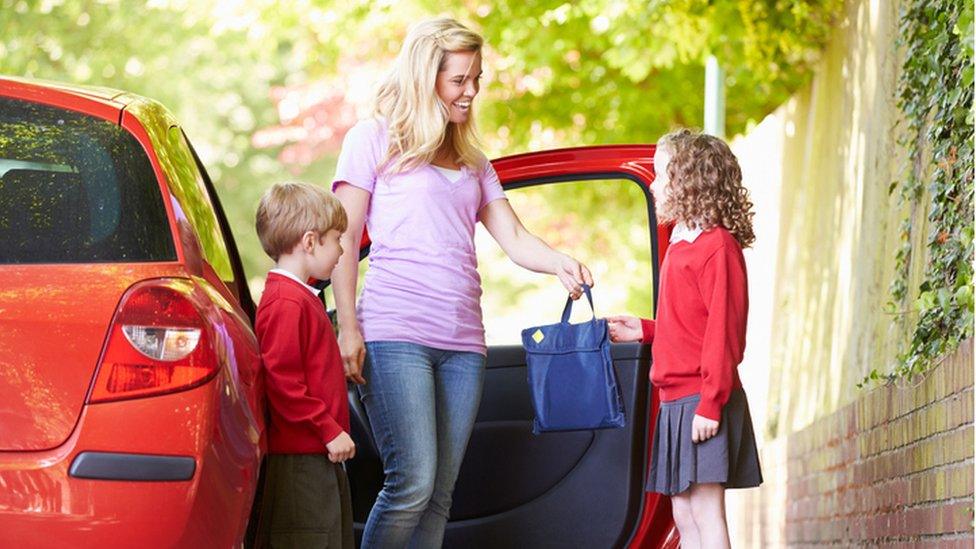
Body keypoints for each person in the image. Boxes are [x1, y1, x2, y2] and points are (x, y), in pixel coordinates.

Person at [331, 17, 594, 548]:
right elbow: (342, 239)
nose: (471, 90)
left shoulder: (474, 162)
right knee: (413, 482)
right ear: (426, 77)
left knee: (441, 494)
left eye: (477, 77)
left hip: (463, 345)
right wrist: (348, 328)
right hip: (394, 332)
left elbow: (515, 236)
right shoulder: (373, 139)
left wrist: (559, 262)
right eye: (459, 80)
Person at [607, 129, 763, 549]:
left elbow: (724, 334)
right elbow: (689, 325)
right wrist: (647, 330)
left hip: (702, 398)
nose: (654, 185)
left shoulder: (718, 247)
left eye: (661, 175)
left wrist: (712, 402)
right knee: (682, 513)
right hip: (677, 399)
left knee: (705, 511)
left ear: (689, 180)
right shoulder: (680, 244)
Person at [253, 182, 356, 548]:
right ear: (310, 242)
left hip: (316, 455)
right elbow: (281, 381)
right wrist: (327, 428)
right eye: (337, 239)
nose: (343, 251)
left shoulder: (299, 298)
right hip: (301, 460)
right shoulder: (286, 302)